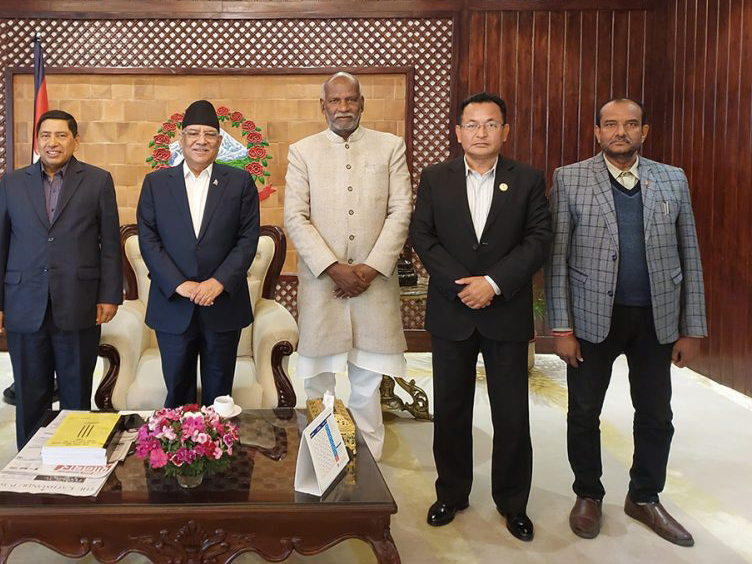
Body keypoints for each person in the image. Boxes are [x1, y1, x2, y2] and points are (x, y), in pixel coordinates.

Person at [545, 98, 707, 546]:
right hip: (591, 318)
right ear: (597, 131)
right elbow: (556, 259)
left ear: (644, 132)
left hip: (657, 317)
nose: (621, 132)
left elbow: (690, 253)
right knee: (583, 412)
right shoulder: (570, 178)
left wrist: (692, 327)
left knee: (656, 413)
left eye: (631, 124)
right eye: (611, 124)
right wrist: (562, 328)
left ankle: (645, 497)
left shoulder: (673, 179)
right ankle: (588, 494)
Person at [409, 92, 552, 541]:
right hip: (452, 311)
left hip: (504, 310)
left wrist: (492, 283)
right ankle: (451, 493)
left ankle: (513, 504)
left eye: (491, 124)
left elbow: (538, 239)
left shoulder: (527, 179)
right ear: (458, 132)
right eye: (472, 124)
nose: (481, 132)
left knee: (511, 415)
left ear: (505, 131)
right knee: (451, 410)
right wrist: (464, 286)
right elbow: (423, 236)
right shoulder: (436, 178)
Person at [284, 72, 412, 461]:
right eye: (335, 101)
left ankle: (369, 463)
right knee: (317, 380)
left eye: (350, 100)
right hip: (323, 285)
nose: (343, 108)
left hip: (375, 286)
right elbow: (295, 217)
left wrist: (371, 268)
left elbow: (401, 210)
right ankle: (324, 458)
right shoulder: (303, 151)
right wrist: (333, 268)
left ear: (361, 104)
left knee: (367, 383)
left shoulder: (389, 147)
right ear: (323, 106)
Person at [0, 109, 122, 449]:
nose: (52, 142)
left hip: (79, 302)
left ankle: (74, 461)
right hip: (23, 303)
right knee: (30, 393)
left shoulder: (98, 181)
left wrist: (109, 295)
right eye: (45, 135)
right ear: (37, 141)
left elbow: (109, 243)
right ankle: (29, 464)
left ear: (76, 140)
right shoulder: (13, 183)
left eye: (61, 135)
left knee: (76, 393)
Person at [137, 99, 260, 408]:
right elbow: (149, 240)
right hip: (173, 304)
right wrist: (181, 284)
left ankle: (217, 442)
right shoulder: (156, 184)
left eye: (209, 134)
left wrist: (218, 282)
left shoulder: (240, 182)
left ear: (219, 141)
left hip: (222, 304)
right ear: (181, 139)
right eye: (193, 133)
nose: (201, 141)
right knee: (177, 396)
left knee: (220, 398)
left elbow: (247, 239)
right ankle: (178, 441)